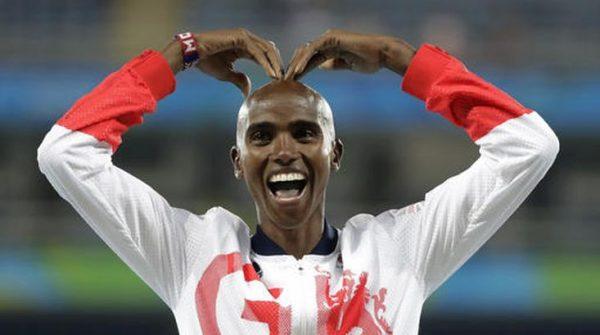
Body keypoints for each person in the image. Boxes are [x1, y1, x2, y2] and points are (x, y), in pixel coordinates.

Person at [37, 28, 559, 335]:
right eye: (261, 136)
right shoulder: (191, 255)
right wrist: (184, 52)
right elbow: (65, 153)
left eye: (304, 133)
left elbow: (529, 146)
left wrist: (400, 59)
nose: (284, 151)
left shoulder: (398, 253)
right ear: (239, 161)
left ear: (334, 153)